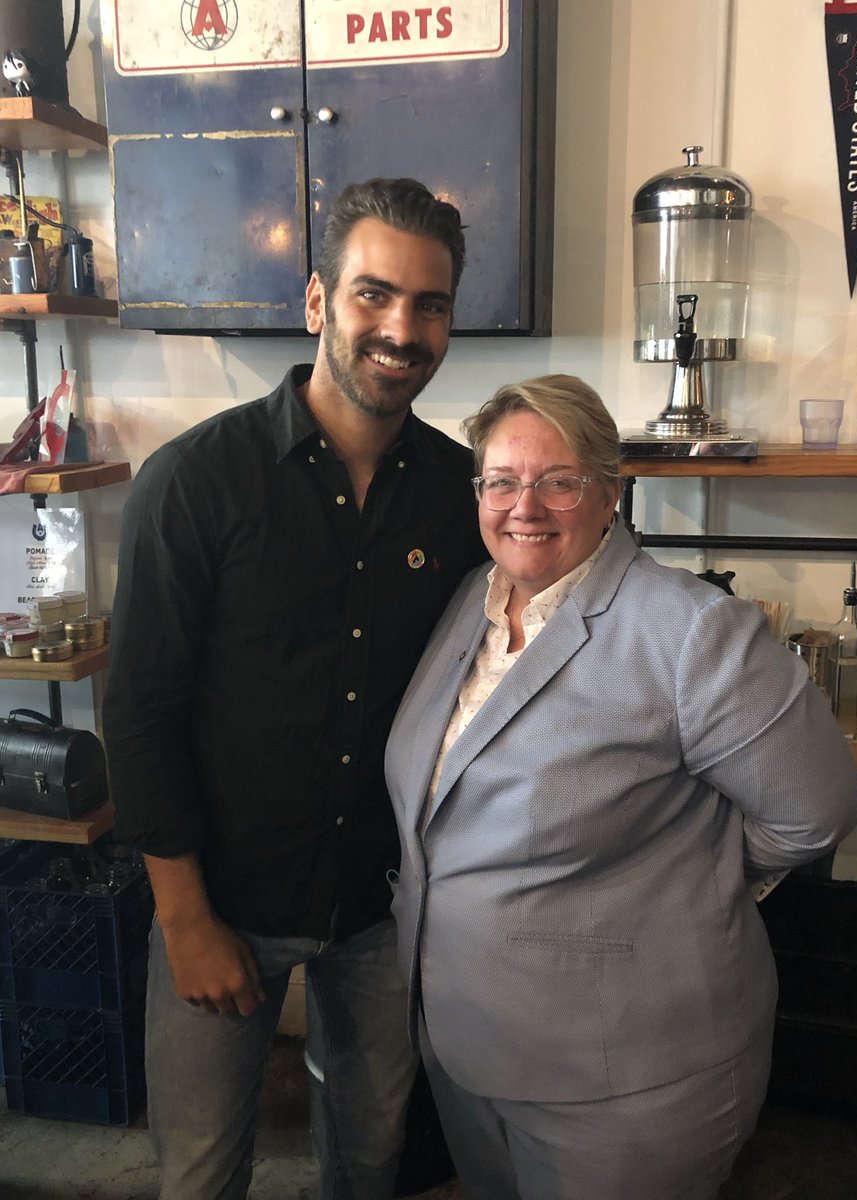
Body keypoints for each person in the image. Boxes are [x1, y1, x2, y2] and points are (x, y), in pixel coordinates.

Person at [384, 374, 857, 1200]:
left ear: (611, 493)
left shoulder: (689, 632)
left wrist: (689, 875)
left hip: (628, 1080)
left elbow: (813, 813)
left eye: (558, 481)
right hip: (468, 1045)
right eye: (501, 480)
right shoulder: (473, 599)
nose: (523, 506)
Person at [102, 178, 486, 1200]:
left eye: (430, 304)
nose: (401, 329)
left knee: (367, 1165)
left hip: (385, 908)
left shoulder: (464, 497)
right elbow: (138, 713)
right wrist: (184, 921)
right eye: (373, 295)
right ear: (318, 301)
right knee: (200, 1174)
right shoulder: (192, 484)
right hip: (224, 899)